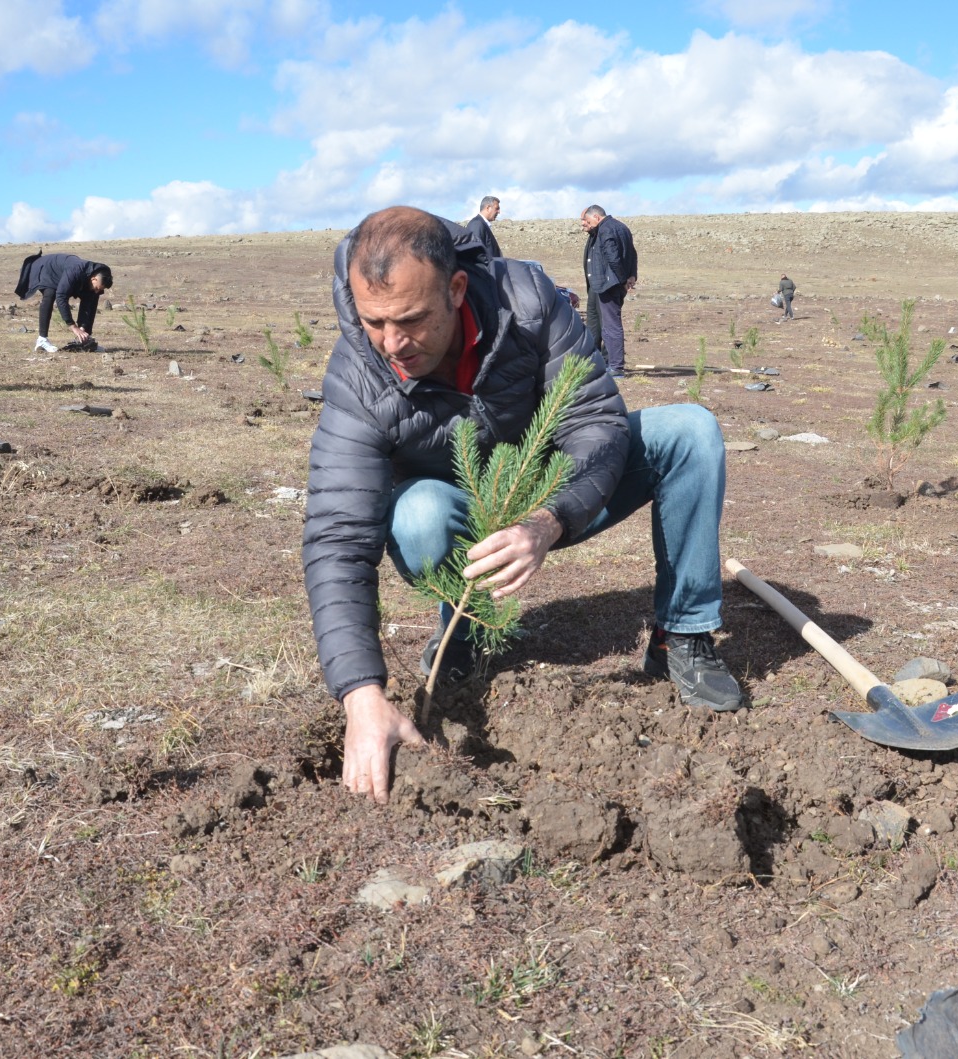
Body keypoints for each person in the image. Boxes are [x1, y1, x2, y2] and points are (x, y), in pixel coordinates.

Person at [303, 206, 744, 806]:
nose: (393, 344)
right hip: (450, 503)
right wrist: (360, 694)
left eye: (411, 320)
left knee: (689, 431)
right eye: (374, 321)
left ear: (457, 288)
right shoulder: (359, 372)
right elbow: (337, 536)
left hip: (550, 487)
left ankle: (683, 637)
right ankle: (462, 633)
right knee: (421, 517)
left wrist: (549, 518)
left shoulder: (527, 299)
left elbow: (595, 421)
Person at [14, 251, 112, 352]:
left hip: (64, 272)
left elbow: (87, 304)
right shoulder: (75, 270)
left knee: (93, 297)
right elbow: (61, 297)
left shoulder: (94, 279)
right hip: (46, 268)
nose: (97, 290)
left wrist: (83, 327)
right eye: (97, 287)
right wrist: (73, 327)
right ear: (94, 279)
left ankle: (84, 341)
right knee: (50, 293)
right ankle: (42, 340)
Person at [581, 205, 637, 377]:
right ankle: (597, 363)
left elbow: (613, 257)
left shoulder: (606, 230)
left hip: (608, 285)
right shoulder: (620, 227)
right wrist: (632, 275)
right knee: (595, 324)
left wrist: (621, 280)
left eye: (586, 221)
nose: (584, 225)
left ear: (597, 217)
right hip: (600, 285)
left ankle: (616, 367)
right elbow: (633, 254)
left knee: (610, 326)